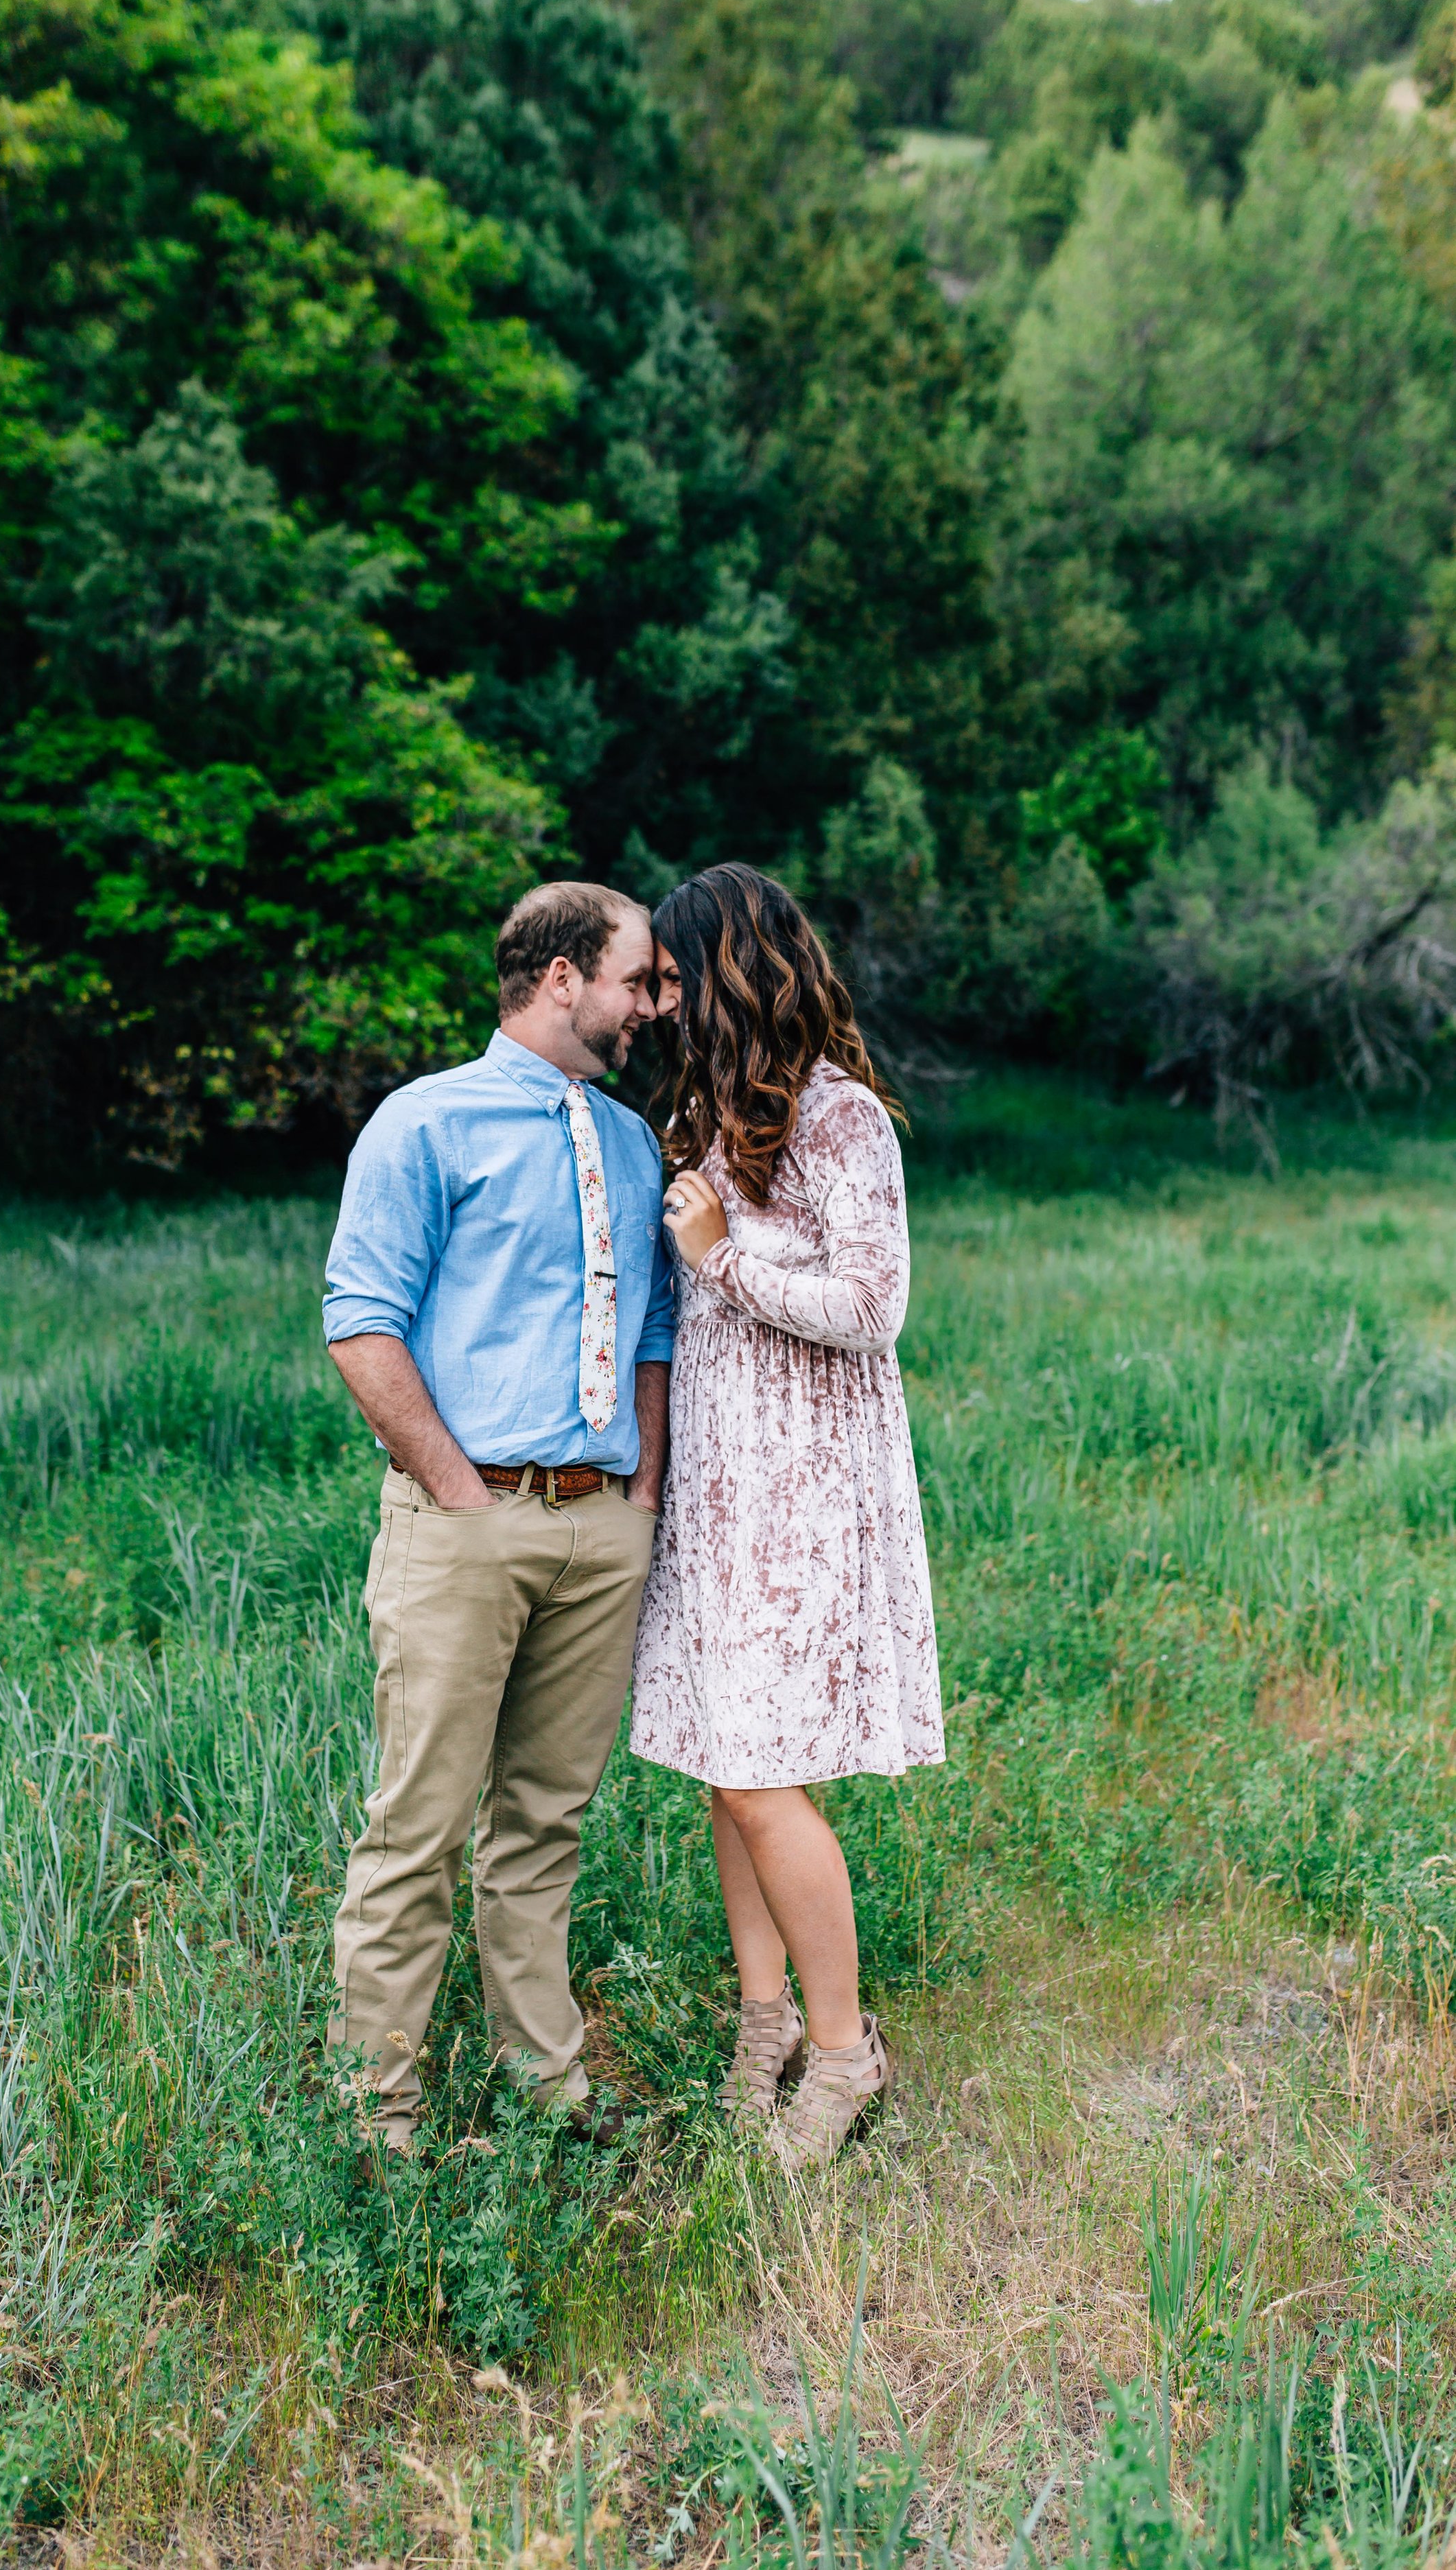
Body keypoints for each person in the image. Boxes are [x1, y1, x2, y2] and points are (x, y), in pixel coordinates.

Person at [322, 881, 673, 2156]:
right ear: (566, 975)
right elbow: (360, 1321)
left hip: (601, 1533)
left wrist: (641, 1487)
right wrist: (462, 1495)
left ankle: (547, 2089)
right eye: (642, 979)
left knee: (544, 1825)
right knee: (416, 1827)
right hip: (465, 1526)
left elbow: (652, 1331)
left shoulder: (635, 1144)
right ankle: (380, 2122)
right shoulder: (426, 1122)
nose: (655, 1006)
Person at [630, 863, 943, 2171]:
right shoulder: (707, 1118)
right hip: (716, 1490)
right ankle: (762, 2021)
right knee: (728, 1763)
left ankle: (844, 2047)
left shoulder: (841, 1118)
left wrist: (721, 1257)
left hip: (806, 1494)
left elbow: (874, 1308)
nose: (654, 999)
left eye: (670, 976)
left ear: (727, 973)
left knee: (765, 1776)